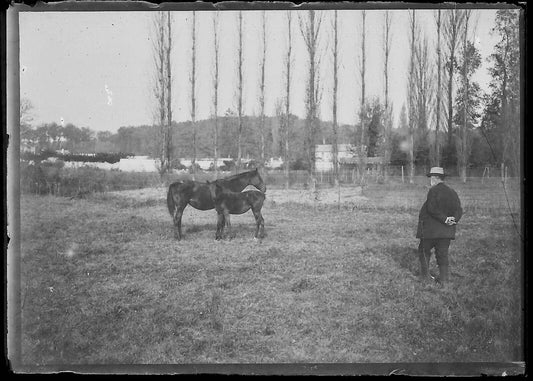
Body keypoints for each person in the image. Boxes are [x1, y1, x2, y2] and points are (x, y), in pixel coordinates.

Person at [416, 167, 463, 285]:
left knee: (424, 251)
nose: (430, 180)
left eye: (431, 177)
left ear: (435, 178)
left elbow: (431, 209)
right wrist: (453, 220)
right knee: (442, 254)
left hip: (430, 231)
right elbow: (459, 209)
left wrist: (445, 219)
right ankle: (444, 281)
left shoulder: (433, 191)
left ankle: (425, 279)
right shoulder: (452, 192)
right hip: (446, 231)